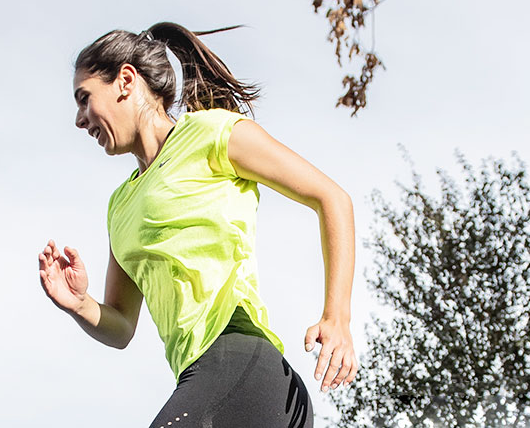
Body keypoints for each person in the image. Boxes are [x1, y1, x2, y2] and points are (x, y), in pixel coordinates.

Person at [37, 22, 357, 428]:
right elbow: (121, 325)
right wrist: (79, 304)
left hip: (242, 366)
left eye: (85, 99)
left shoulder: (211, 134)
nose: (80, 120)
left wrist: (337, 319)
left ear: (126, 81)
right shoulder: (120, 206)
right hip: (210, 383)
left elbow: (332, 199)